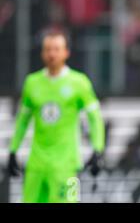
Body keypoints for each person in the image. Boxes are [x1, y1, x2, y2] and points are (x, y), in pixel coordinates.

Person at [7, 30, 105, 203]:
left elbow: (95, 117)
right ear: (42, 53)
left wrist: (98, 149)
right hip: (36, 164)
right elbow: (23, 120)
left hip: (67, 165)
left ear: (66, 52)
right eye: (48, 49)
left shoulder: (79, 82)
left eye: (56, 49)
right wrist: (13, 150)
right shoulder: (32, 82)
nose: (52, 54)